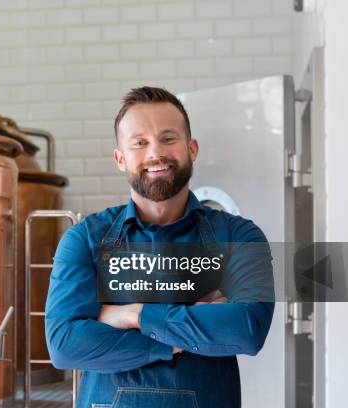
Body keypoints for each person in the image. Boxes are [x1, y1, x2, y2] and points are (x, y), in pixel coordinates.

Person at [45, 86, 274, 407]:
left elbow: (246, 330)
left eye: (168, 139)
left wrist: (135, 314)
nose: (155, 153)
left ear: (191, 148)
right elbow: (66, 346)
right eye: (139, 143)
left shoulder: (239, 236)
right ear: (120, 158)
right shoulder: (85, 238)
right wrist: (177, 340)